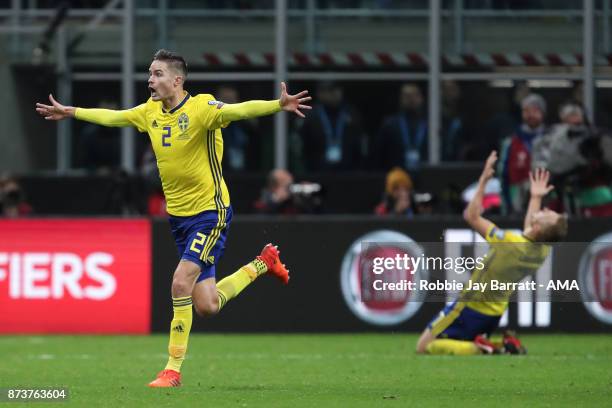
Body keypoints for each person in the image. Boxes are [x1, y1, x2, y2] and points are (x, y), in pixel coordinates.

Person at [35, 49, 311, 387]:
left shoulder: (202, 109)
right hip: (179, 218)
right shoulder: (149, 112)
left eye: (157, 74)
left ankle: (172, 369)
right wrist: (71, 112)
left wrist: (276, 105)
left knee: (180, 282)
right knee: (207, 305)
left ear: (177, 80)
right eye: (150, 74)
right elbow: (115, 117)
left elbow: (239, 111)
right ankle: (263, 263)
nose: (150, 80)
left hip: (210, 212)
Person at [416, 151, 568, 356]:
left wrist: (483, 180)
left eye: (546, 214)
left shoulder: (509, 242)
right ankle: (499, 345)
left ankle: (482, 348)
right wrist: (535, 197)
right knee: (454, 340)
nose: (544, 210)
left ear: (539, 228)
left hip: (469, 306)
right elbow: (529, 230)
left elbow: (471, 215)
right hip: (495, 313)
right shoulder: (542, 250)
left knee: (424, 347)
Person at [298, 81, 365, 171]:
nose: (336, 94)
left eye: (338, 90)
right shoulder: (311, 115)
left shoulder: (350, 113)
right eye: (330, 90)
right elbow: (304, 146)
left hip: (347, 170)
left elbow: (359, 143)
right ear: (320, 93)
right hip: (317, 170)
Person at [499, 93, 547, 214]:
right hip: (517, 201)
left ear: (542, 113)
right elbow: (503, 174)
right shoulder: (511, 141)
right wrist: (506, 205)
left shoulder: (552, 139)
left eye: (535, 110)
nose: (530, 115)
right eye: (526, 111)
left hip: (546, 200)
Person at [375, 83, 428, 171]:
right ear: (400, 99)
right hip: (397, 176)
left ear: (421, 98)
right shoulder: (390, 125)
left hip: (425, 175)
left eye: (415, 95)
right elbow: (380, 155)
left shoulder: (430, 124)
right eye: (407, 96)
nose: (411, 99)